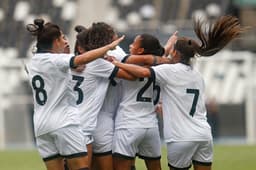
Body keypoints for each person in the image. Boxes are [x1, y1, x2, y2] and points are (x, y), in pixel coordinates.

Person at [112, 15, 244, 170]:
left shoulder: (169, 70)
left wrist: (116, 63)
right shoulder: (197, 75)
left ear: (175, 54)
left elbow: (143, 72)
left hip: (181, 136)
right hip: (203, 134)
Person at [26, 18, 124, 170]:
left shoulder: (32, 62)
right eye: (63, 38)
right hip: (64, 123)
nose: (65, 41)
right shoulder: (57, 60)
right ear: (56, 40)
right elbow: (82, 59)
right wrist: (109, 47)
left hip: (41, 126)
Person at [72, 22, 134, 170]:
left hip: (69, 123)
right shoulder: (101, 62)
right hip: (98, 121)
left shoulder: (68, 62)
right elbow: (133, 75)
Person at [112, 34, 167, 170]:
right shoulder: (160, 68)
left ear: (140, 51)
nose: (130, 46)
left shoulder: (126, 63)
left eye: (134, 44)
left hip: (128, 123)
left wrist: (116, 63)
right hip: (151, 126)